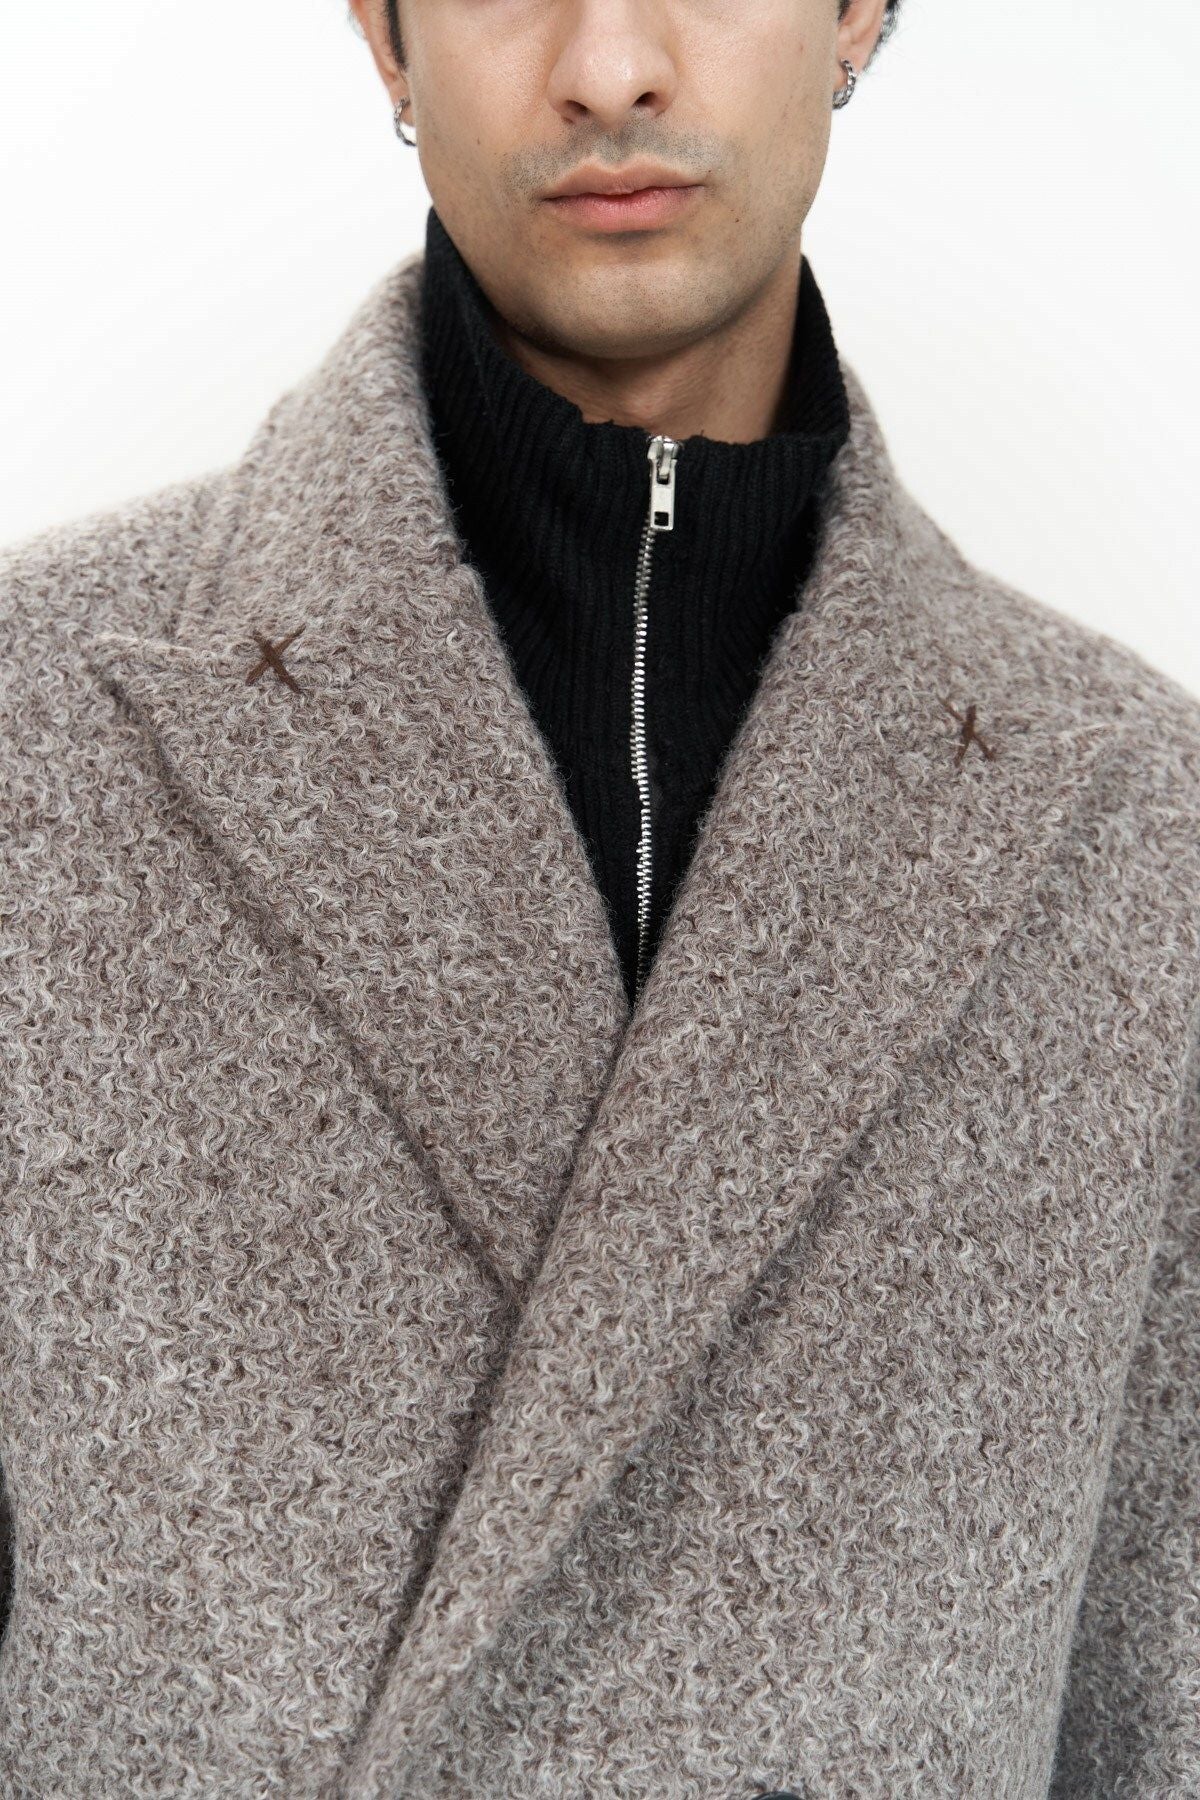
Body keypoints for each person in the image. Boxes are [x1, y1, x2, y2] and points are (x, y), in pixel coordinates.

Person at [0, 0, 1197, 1793]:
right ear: (384, 37)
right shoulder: (36, 738)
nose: (611, 65)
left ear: (859, 11)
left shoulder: (1138, 834)